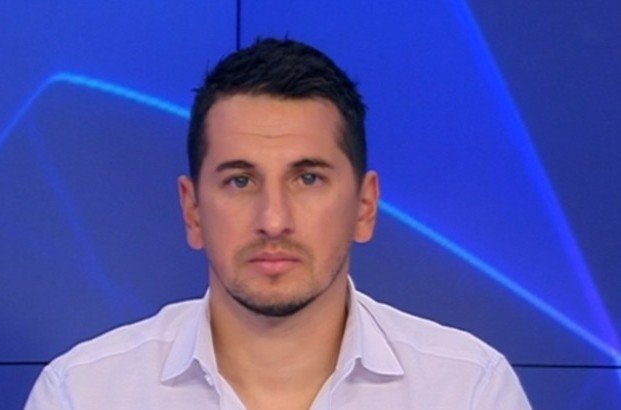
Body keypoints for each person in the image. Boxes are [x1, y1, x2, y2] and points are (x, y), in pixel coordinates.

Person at [26, 38, 531, 409]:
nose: (273, 220)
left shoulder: (467, 390)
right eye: (240, 181)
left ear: (364, 206)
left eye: (308, 178)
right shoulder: (83, 394)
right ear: (192, 210)